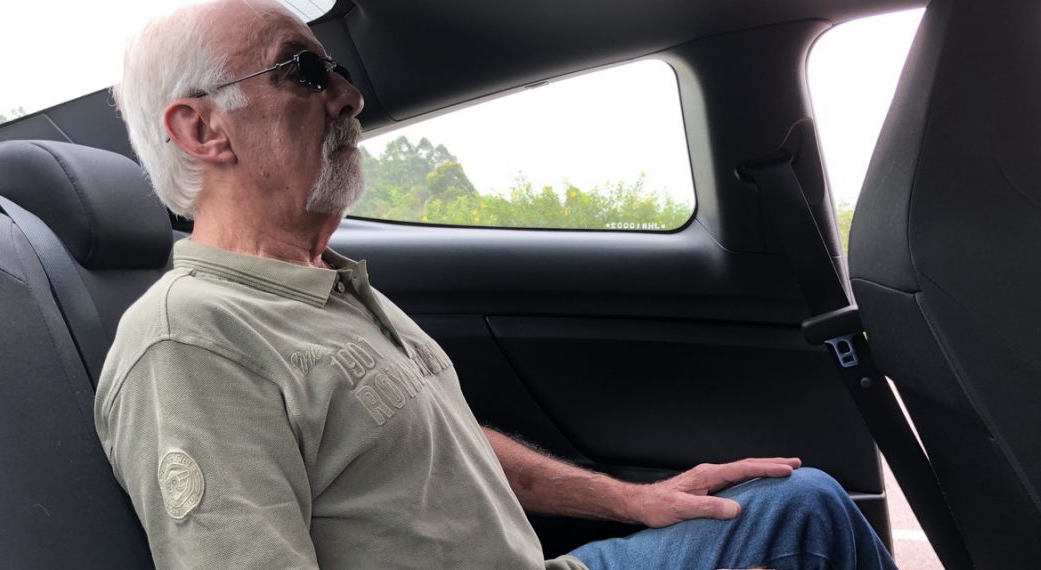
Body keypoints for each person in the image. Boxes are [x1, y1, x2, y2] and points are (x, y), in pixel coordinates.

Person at [95, 1, 899, 568]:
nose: (349, 95)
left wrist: (633, 499)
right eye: (306, 71)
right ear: (202, 128)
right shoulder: (192, 342)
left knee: (806, 504)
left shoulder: (324, 286)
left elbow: (444, 442)